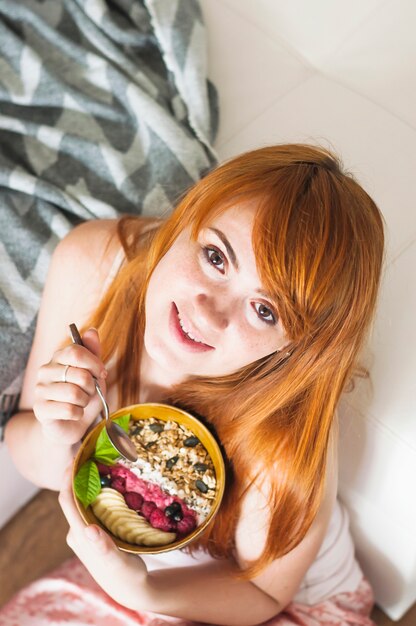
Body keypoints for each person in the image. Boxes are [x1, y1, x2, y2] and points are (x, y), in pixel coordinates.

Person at [3, 144, 384, 626]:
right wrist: (58, 434)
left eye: (264, 310)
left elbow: (264, 594)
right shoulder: (95, 267)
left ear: (294, 347)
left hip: (270, 602)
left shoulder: (282, 441)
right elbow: (26, 443)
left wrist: (143, 589)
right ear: (185, 216)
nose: (209, 311)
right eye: (215, 256)